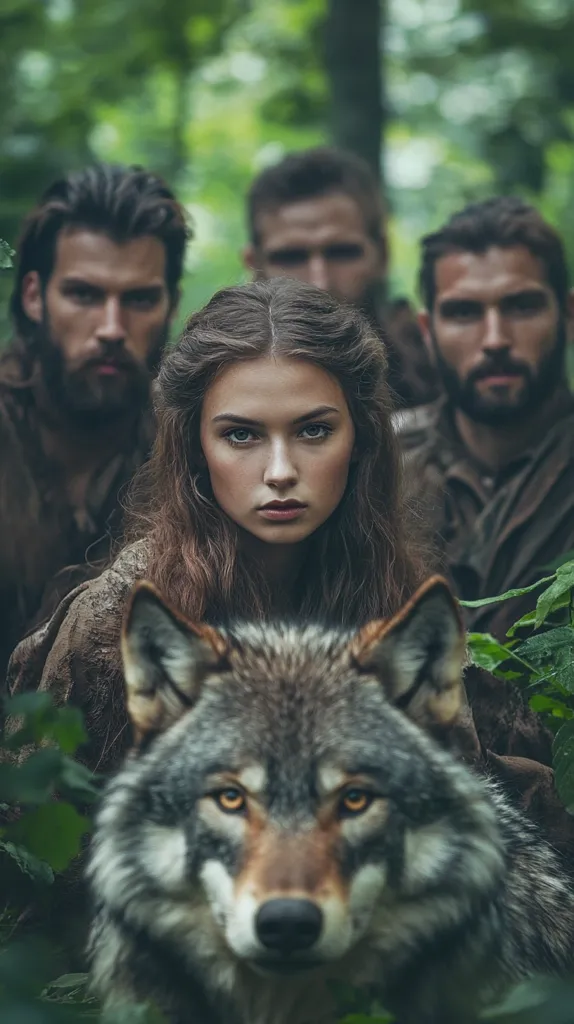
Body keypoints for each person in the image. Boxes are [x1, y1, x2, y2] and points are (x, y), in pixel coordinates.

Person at [7, 278, 425, 775]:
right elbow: (38, 829)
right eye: (241, 435)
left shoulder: (393, 594)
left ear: (359, 438)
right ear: (196, 448)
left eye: (313, 430)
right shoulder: (119, 614)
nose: (280, 472)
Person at [397, 197, 574, 865]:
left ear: (569, 312)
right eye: (465, 312)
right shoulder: (368, 465)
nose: (494, 337)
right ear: (428, 327)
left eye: (522, 306)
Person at [0, 163, 190, 681]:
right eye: (84, 294)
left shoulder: (193, 450)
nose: (111, 328)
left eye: (139, 299)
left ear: (170, 303)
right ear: (35, 295)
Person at [243, 146, 438, 408]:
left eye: (341, 253)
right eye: (291, 257)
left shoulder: (439, 375)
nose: (319, 282)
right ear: (254, 265)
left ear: (382, 255)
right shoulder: (212, 382)